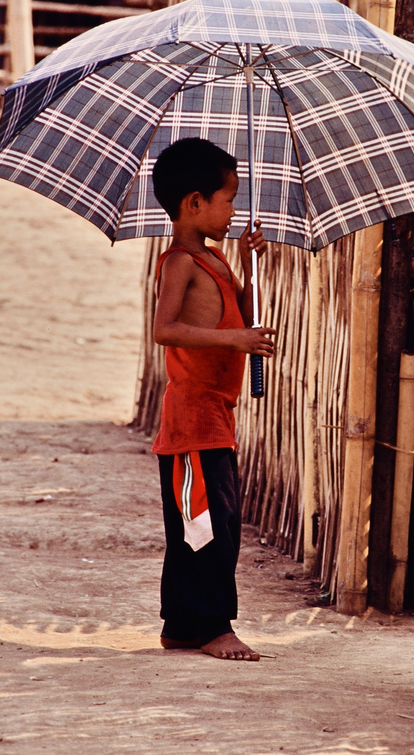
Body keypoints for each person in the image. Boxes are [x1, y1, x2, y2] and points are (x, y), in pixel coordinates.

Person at [150, 137, 275, 662]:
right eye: (227, 200)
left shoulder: (217, 259)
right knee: (209, 524)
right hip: (190, 416)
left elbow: (241, 316)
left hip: (215, 413)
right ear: (193, 202)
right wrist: (235, 341)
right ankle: (215, 626)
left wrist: (248, 266)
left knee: (205, 521)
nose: (232, 211)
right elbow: (165, 329)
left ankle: (182, 626)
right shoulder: (179, 261)